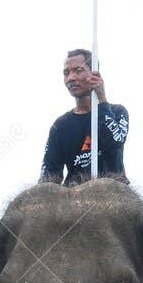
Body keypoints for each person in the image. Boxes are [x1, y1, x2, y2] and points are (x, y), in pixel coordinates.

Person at [40, 48, 129, 186]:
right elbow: (49, 174)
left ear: (95, 74)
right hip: (75, 198)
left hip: (112, 195)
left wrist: (102, 99)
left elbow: (114, 143)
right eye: (66, 73)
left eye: (78, 70)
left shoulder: (117, 111)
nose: (70, 78)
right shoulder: (61, 125)